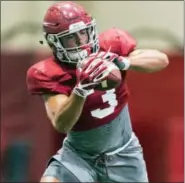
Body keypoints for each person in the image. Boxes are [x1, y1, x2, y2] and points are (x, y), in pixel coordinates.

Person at [26, 1, 169, 182]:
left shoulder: (110, 44)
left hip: (124, 153)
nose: (80, 42)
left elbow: (161, 60)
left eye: (83, 33)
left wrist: (122, 61)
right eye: (71, 37)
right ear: (55, 42)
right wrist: (81, 90)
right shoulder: (48, 72)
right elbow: (62, 123)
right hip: (79, 156)